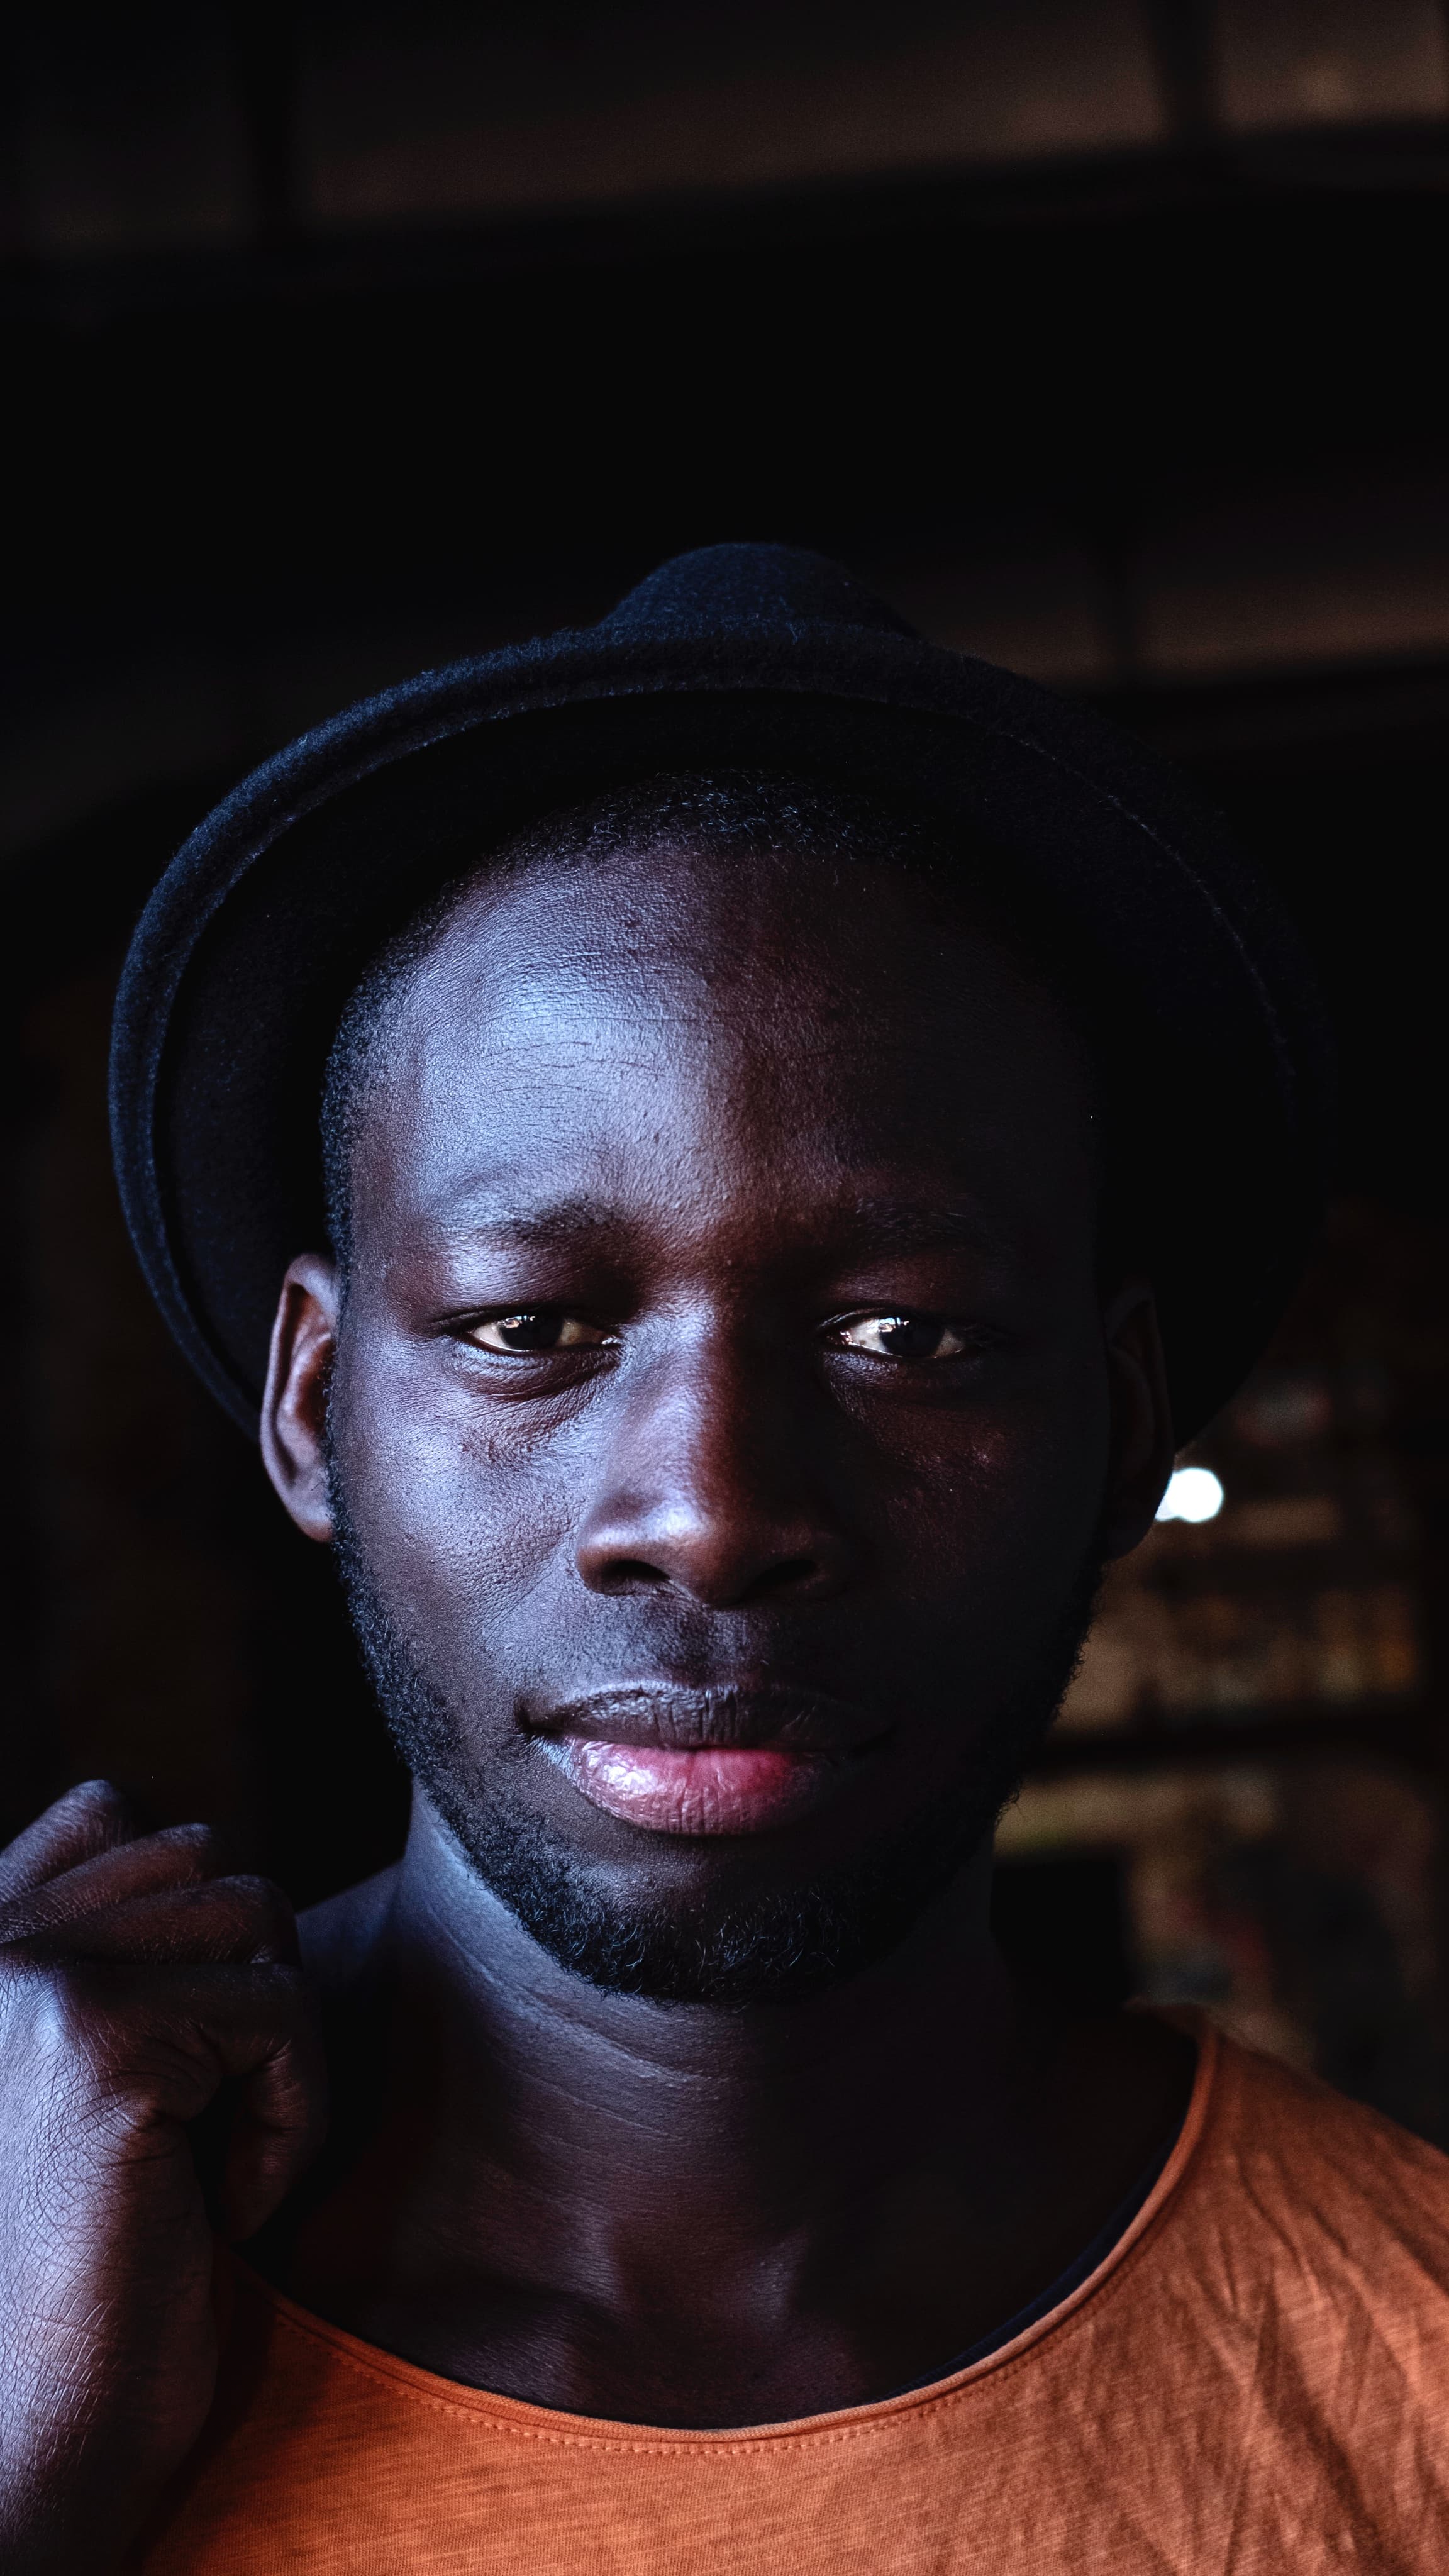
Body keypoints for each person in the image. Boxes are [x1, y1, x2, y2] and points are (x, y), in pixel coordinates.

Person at [1, 547, 1444, 2574]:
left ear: (1119, 1433)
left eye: (905, 1336)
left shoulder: (1408, 2376)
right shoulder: (25, 2297)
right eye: (532, 1329)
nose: (712, 1506)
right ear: (316, 1410)